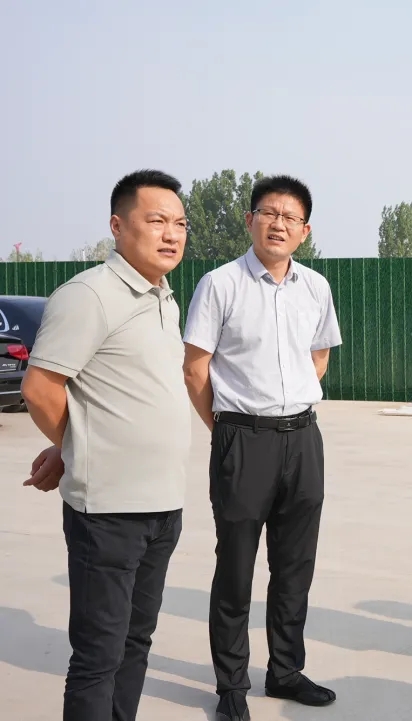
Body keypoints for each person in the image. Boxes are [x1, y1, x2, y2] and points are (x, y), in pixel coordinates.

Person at [20, 169, 192, 721]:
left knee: (135, 644)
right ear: (117, 226)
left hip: (163, 505)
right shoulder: (90, 295)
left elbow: (115, 393)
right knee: (99, 656)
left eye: (180, 223)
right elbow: (40, 388)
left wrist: (73, 441)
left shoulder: (164, 297)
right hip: (109, 513)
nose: (172, 234)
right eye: (157, 220)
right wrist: (75, 445)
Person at [182, 175, 342, 721]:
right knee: (236, 569)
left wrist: (290, 402)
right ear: (250, 220)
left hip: (303, 439)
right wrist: (226, 430)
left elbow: (319, 357)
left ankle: (285, 671)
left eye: (290, 217)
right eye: (268, 213)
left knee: (295, 566)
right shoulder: (220, 284)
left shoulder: (315, 287)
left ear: (304, 231)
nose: (278, 224)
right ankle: (231, 685)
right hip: (242, 440)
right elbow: (196, 369)